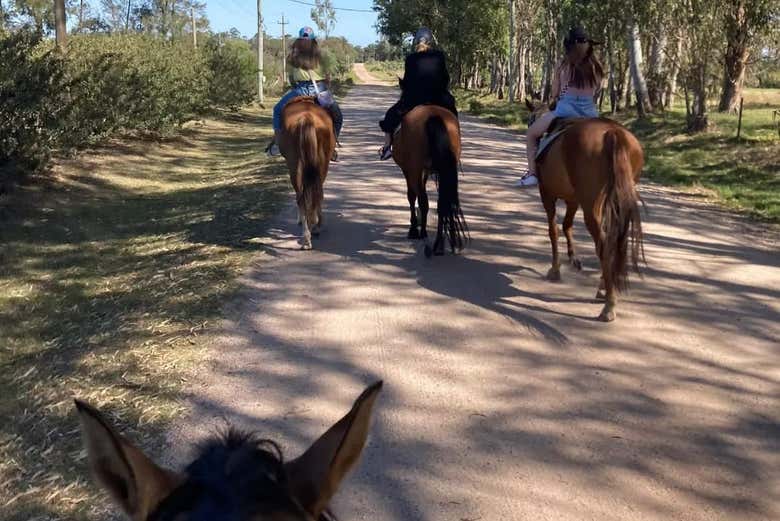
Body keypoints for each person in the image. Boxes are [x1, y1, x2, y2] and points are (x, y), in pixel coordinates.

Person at [516, 26, 604, 187]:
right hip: (590, 114)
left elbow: (555, 92)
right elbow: (597, 89)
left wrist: (558, 97)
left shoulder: (562, 65)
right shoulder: (596, 66)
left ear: (568, 47)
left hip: (565, 111)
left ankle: (533, 174)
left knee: (531, 134)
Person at [378, 27, 458, 160]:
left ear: (415, 42)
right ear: (430, 42)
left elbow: (408, 83)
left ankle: (387, 148)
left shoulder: (411, 59)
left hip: (415, 100)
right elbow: (445, 79)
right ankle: (454, 145)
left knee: (390, 116)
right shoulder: (439, 56)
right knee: (453, 115)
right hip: (439, 98)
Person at [267, 26, 343, 160]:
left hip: (300, 90)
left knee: (277, 110)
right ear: (314, 41)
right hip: (320, 90)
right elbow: (328, 77)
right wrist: (326, 87)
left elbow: (291, 79)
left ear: (299, 40)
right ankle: (331, 145)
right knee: (337, 116)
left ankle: (278, 143)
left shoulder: (292, 57)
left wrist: (295, 86)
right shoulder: (322, 56)